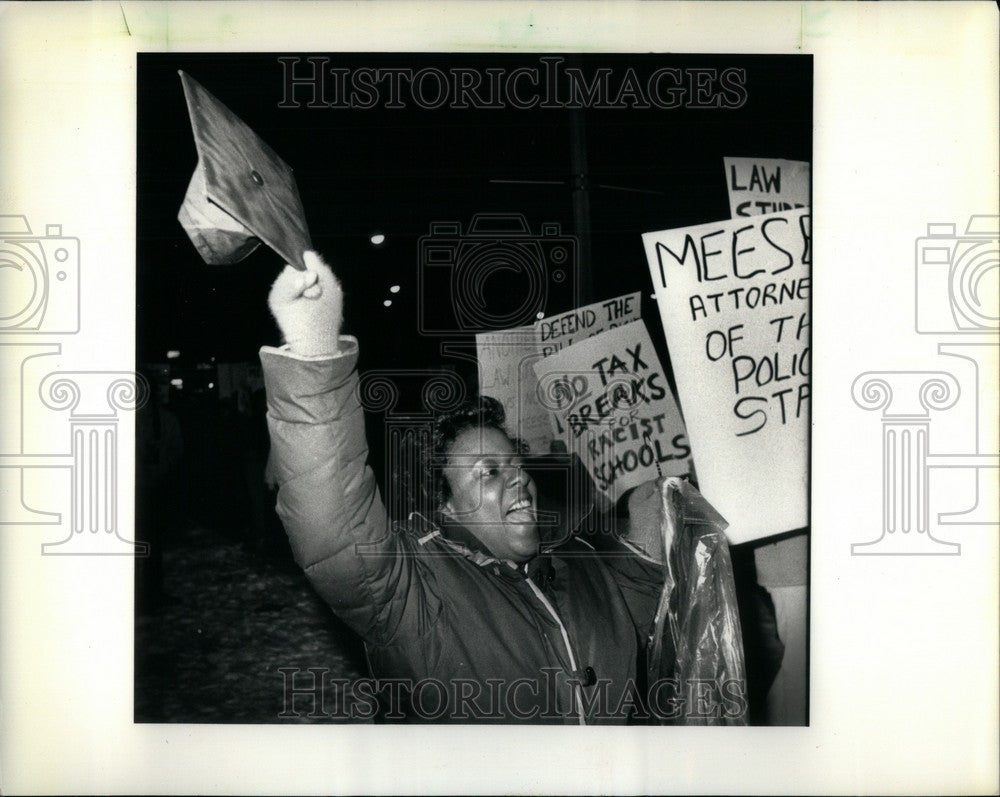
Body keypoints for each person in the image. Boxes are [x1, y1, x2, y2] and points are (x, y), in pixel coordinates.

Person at [261, 251, 677, 724]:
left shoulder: (583, 566)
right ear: (448, 508)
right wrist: (315, 348)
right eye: (489, 472)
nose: (518, 476)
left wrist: (655, 448)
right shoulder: (417, 592)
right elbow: (331, 524)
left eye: (516, 464)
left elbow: (650, 563)